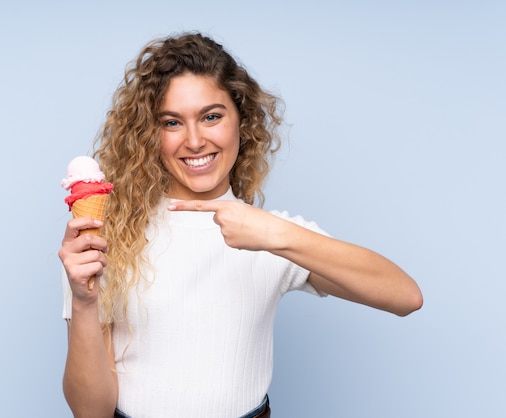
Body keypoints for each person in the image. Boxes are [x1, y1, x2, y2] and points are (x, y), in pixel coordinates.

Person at [58, 32, 423, 418]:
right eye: (172, 122)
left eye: (211, 116)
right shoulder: (103, 238)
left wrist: (276, 235)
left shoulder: (273, 235)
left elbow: (404, 297)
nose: (195, 140)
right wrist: (83, 302)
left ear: (241, 121)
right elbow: (90, 412)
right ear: (150, 134)